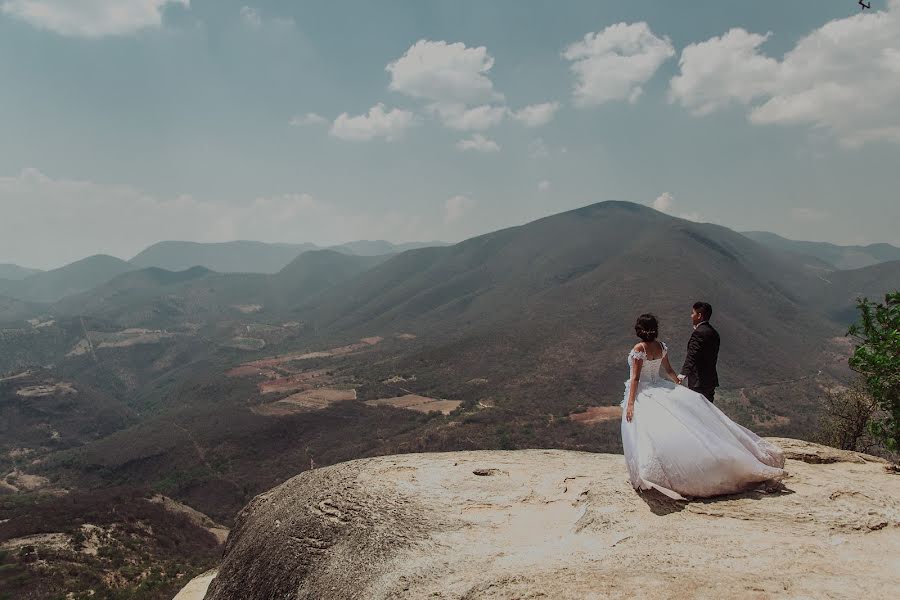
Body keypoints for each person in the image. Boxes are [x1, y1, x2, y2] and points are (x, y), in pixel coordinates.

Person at [621, 313, 786, 499]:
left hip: (645, 392)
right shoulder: (661, 347)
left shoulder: (639, 348)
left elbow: (635, 378)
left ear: (639, 329)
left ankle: (648, 472)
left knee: (646, 433)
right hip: (660, 386)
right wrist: (677, 384)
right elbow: (668, 370)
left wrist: (630, 403)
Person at [681, 301, 719, 403]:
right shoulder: (714, 333)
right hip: (710, 380)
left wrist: (683, 374)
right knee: (708, 410)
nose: (691, 316)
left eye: (693, 313)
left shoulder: (699, 333)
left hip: (698, 381)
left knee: (697, 411)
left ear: (699, 315)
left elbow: (692, 354)